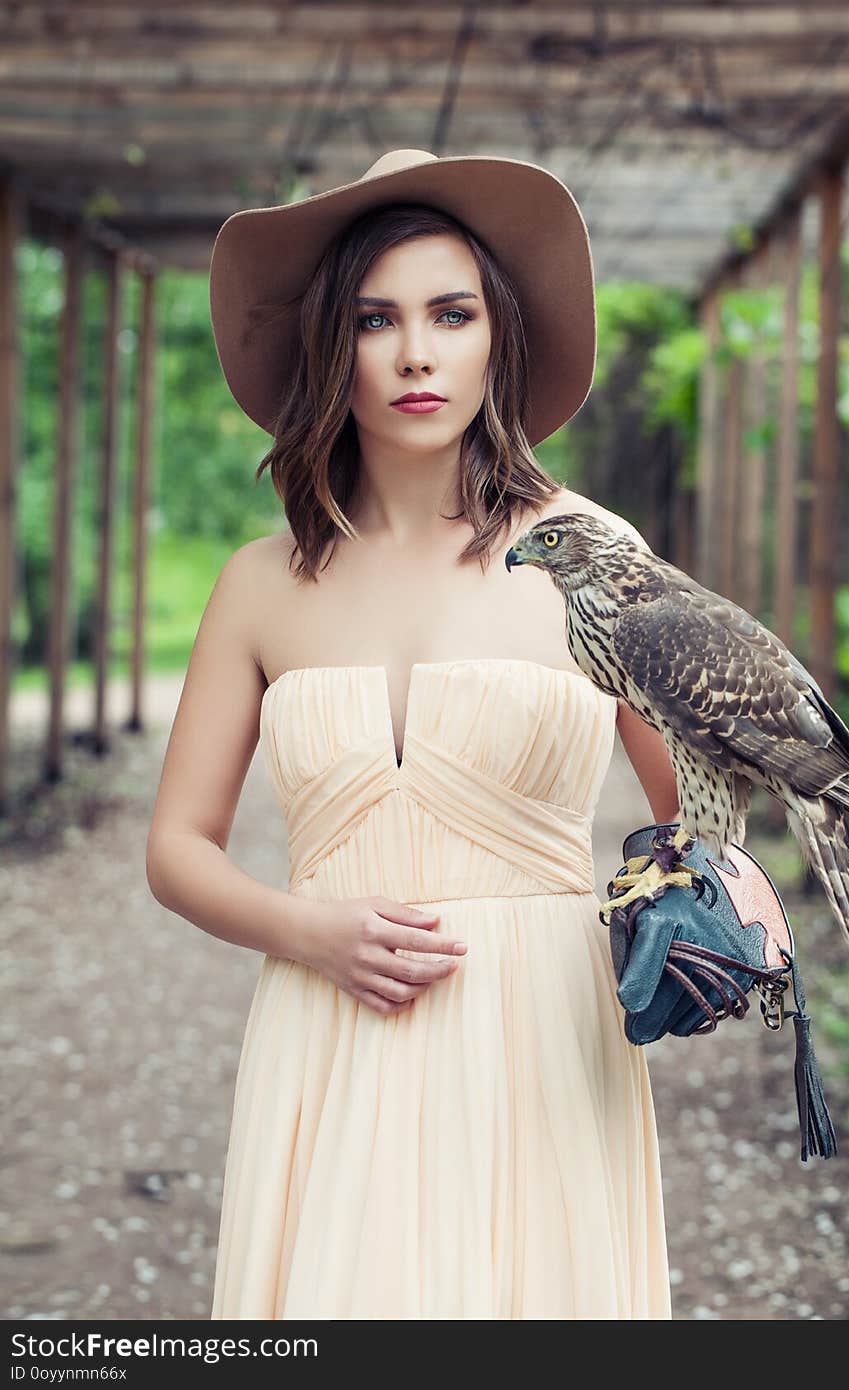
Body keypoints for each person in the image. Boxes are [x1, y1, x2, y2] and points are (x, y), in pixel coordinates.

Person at [146, 148, 679, 1319]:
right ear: (334, 346)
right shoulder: (259, 581)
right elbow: (176, 845)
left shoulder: (593, 549)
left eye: (452, 313)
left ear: (499, 337)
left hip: (544, 1040)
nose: (417, 353)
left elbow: (692, 801)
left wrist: (689, 912)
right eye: (377, 320)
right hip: (329, 1025)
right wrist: (306, 930)